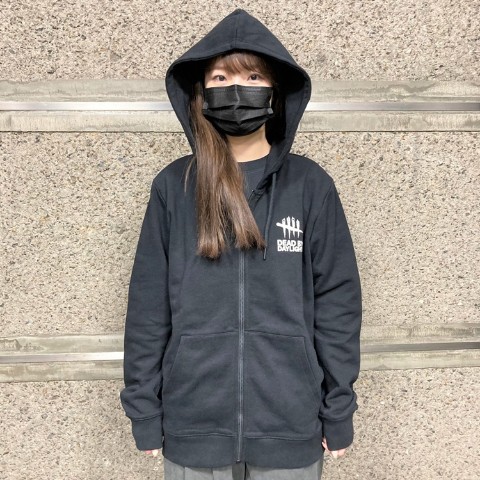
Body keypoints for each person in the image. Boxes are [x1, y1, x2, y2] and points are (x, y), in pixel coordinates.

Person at [119, 8, 362, 480]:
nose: (236, 89)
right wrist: (144, 410)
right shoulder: (174, 187)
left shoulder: (310, 186)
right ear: (201, 92)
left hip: (290, 424)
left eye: (252, 76)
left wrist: (338, 409)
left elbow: (338, 303)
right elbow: (148, 306)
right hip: (193, 425)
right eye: (220, 77)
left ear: (275, 91)